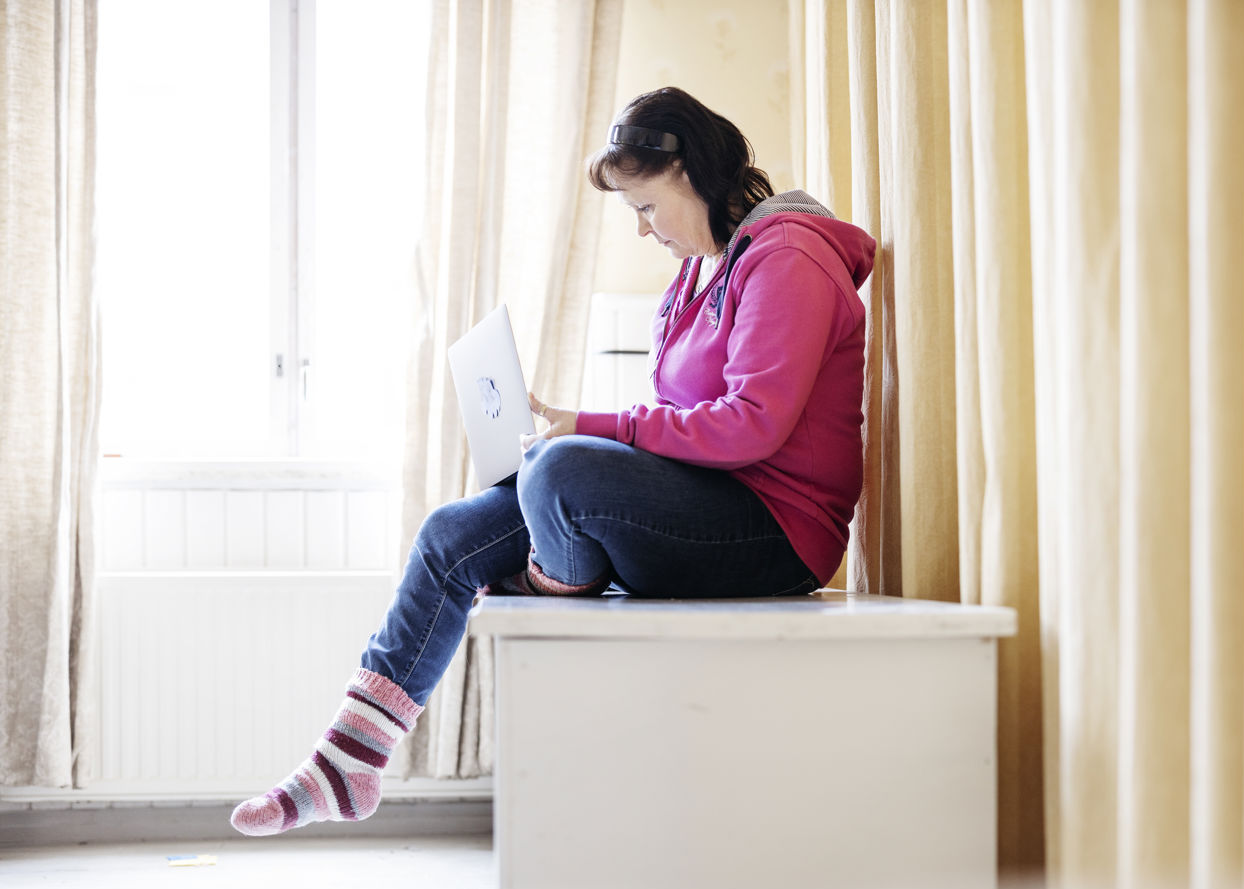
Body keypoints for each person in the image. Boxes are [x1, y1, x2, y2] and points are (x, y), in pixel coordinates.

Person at [229, 87, 878, 836]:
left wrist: (590, 430)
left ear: (694, 174)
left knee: (562, 470)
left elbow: (752, 425)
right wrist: (579, 443)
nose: (642, 230)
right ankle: (348, 762)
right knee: (451, 533)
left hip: (774, 532)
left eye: (644, 207)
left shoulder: (788, 258)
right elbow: (683, 422)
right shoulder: (703, 271)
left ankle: (562, 572)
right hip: (707, 504)